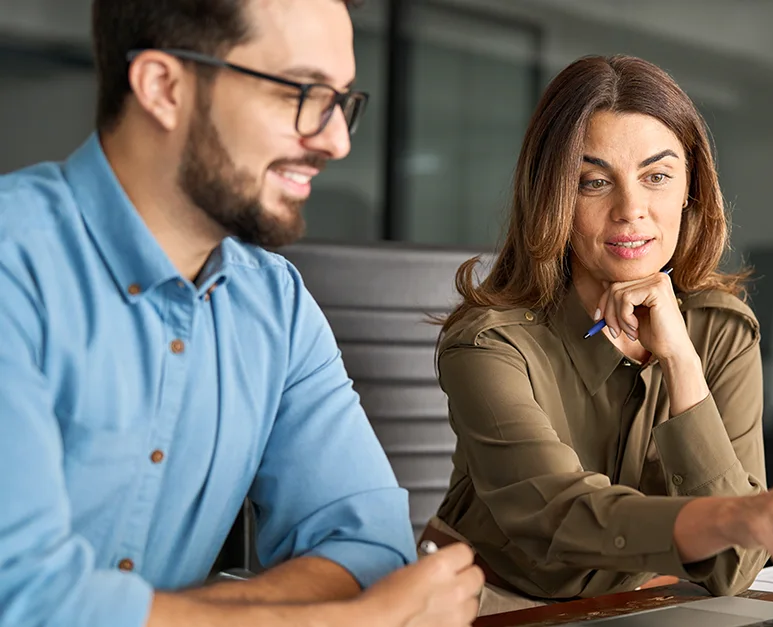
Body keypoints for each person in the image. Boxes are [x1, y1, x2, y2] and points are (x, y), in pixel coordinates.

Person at [0, 1, 483, 625]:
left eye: (341, 102)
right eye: (302, 94)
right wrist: (346, 622)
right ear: (163, 87)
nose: (336, 140)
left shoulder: (275, 304)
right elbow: (23, 600)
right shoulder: (14, 268)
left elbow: (369, 551)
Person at [427, 54, 773, 614]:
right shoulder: (488, 346)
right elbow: (558, 518)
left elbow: (735, 565)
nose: (632, 210)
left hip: (645, 607)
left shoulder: (720, 330)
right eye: (594, 182)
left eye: (656, 176)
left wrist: (680, 360)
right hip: (493, 605)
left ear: (690, 189)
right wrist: (738, 517)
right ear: (552, 195)